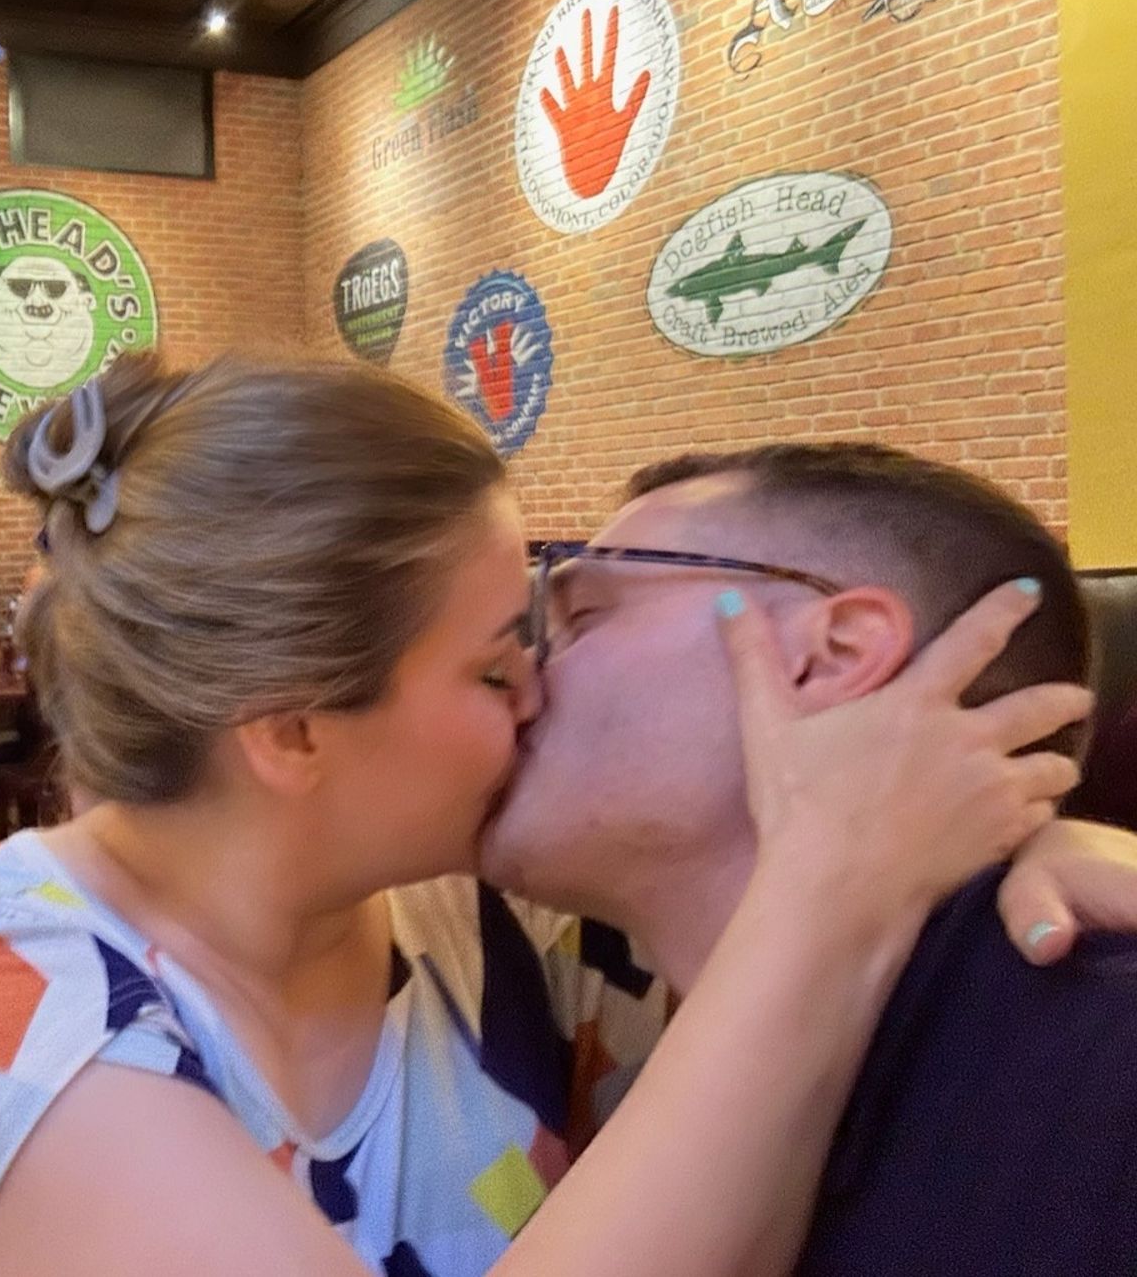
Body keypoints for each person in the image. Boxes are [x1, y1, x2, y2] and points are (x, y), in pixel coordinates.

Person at [0, 352, 1097, 1277]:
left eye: (561, 626)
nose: (537, 687)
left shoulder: (505, 932)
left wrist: (1004, 836)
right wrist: (839, 875)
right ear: (293, 728)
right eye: (494, 664)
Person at [477, 442, 1137, 1274]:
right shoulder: (546, 997)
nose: (518, 679)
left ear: (832, 655)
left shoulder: (1103, 1081)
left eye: (580, 618)